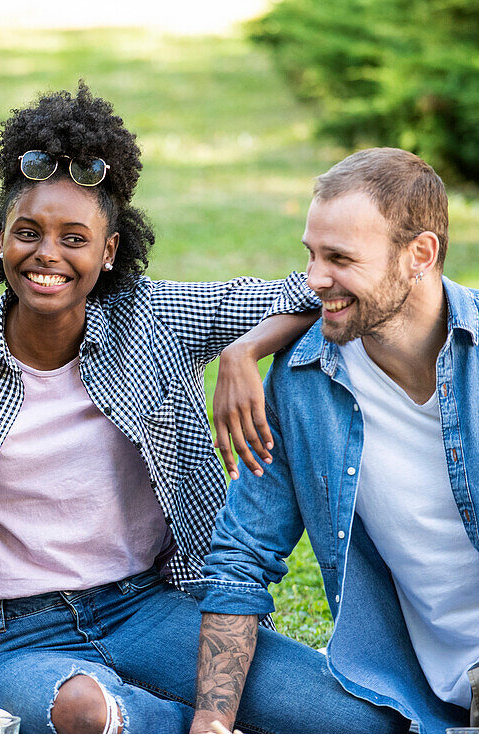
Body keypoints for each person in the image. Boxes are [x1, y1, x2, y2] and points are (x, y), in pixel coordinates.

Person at [0, 83, 397, 734]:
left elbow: (311, 291)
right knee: (86, 711)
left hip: (148, 607)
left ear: (108, 253)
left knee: (358, 724)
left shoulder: (152, 317)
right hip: (19, 637)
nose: (47, 254)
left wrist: (243, 354)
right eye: (28, 232)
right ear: (0, 239)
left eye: (74, 237)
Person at [188, 148, 478, 734]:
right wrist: (211, 721)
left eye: (339, 258)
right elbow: (243, 555)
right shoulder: (302, 383)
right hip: (403, 687)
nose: (314, 279)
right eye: (311, 255)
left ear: (419, 254)